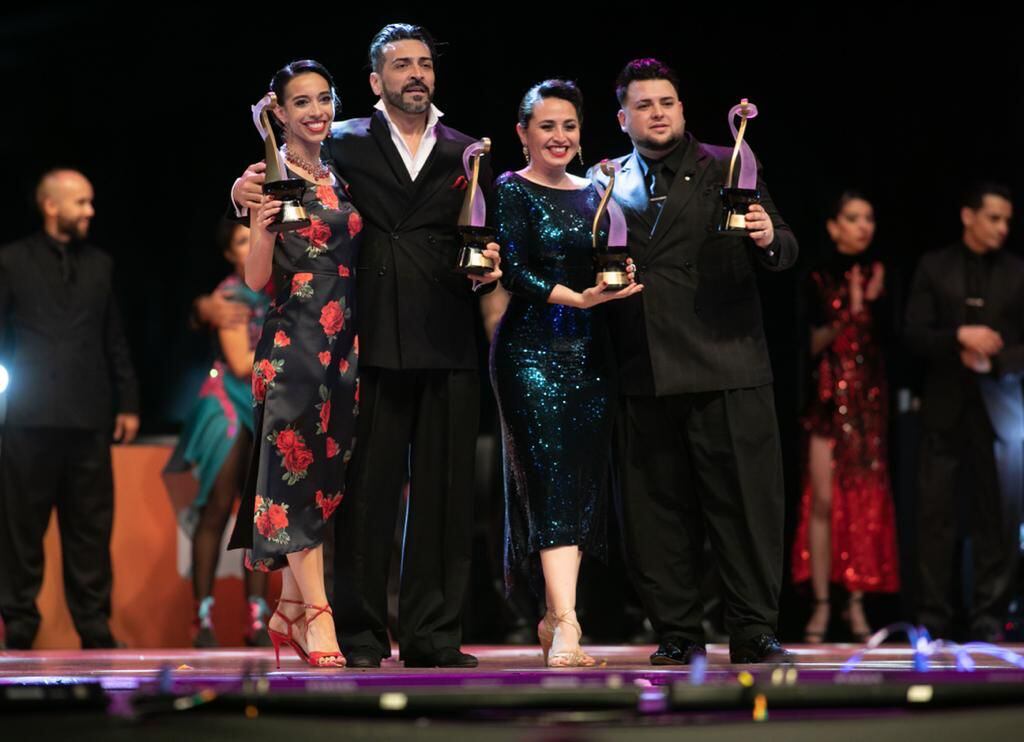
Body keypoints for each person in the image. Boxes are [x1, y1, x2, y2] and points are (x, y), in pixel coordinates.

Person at [231, 23, 502, 669]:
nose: (417, 73)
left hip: (409, 339)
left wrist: (493, 262)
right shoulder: (347, 143)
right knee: (347, 491)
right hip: (344, 340)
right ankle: (345, 627)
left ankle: (422, 634)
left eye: (426, 62)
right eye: (401, 64)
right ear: (375, 80)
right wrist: (245, 194)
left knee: (407, 495)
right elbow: (261, 228)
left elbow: (483, 231)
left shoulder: (464, 150)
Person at [591, 58, 798, 664]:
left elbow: (785, 248)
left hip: (727, 364)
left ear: (683, 110)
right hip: (643, 370)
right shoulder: (605, 177)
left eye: (668, 103)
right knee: (656, 514)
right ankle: (678, 629)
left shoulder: (727, 163)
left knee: (744, 508)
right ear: (623, 117)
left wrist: (765, 236)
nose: (658, 114)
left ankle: (754, 628)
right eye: (645, 105)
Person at [491, 79, 641, 667]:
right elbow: (514, 272)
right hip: (530, 352)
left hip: (592, 354)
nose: (559, 136)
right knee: (548, 479)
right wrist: (574, 299)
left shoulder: (598, 188)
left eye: (569, 126)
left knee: (579, 487)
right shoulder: (510, 189)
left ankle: (557, 613)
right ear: (523, 132)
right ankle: (569, 629)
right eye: (547, 125)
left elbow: (613, 253)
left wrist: (620, 273)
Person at [226, 59, 359, 668]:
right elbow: (257, 279)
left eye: (324, 100)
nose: (316, 112)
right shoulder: (266, 175)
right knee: (294, 476)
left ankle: (286, 607)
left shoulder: (340, 171)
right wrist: (257, 224)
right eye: (301, 102)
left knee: (325, 478)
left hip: (344, 342)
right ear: (277, 111)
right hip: (293, 342)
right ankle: (319, 614)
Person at [0, 168, 140, 650]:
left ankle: (93, 624)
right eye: (81, 202)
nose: (90, 211)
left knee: (89, 527)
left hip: (88, 414)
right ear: (50, 205)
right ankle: (19, 619)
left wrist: (128, 401)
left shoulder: (100, 264)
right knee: (21, 526)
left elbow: (113, 336)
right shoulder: (11, 261)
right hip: (26, 416)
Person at [905, 182, 1024, 642]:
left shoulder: (1017, 272)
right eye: (994, 217)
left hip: (1001, 412)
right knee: (936, 518)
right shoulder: (935, 267)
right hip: (944, 408)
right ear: (968, 216)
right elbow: (914, 333)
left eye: (1007, 220)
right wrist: (959, 337)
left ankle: (990, 615)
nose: (1002, 228)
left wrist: (995, 358)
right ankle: (933, 617)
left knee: (997, 517)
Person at [791, 192, 900, 643]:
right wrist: (846, 309)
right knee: (822, 502)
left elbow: (896, 342)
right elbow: (805, 344)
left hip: (869, 406)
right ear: (833, 226)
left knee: (865, 502)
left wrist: (871, 305)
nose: (863, 227)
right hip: (824, 403)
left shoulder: (882, 276)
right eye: (853, 218)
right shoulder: (816, 277)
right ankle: (819, 603)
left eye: (869, 218)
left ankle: (856, 605)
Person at [163, 220, 272, 648]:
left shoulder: (276, 293)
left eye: (258, 238)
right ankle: (203, 617)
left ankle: (257, 620)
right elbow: (243, 364)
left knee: (261, 517)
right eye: (243, 241)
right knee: (217, 507)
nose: (253, 246)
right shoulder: (231, 295)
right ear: (229, 253)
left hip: (265, 405)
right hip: (228, 402)